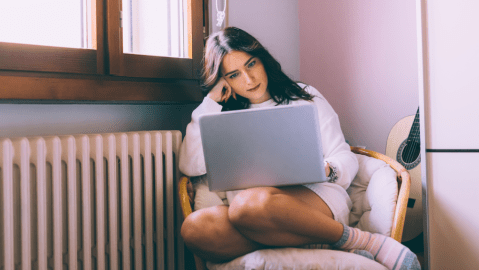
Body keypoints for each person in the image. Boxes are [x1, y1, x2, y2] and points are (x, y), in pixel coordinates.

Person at [178, 27, 420, 270]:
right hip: (252, 219)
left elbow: (344, 157)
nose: (248, 80)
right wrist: (210, 103)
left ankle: (363, 241)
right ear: (223, 81)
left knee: (247, 203)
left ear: (262, 59)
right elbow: (189, 164)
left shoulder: (304, 97)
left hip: (314, 200)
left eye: (251, 64)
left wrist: (326, 169)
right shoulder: (221, 115)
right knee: (195, 229)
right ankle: (320, 243)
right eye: (234, 75)